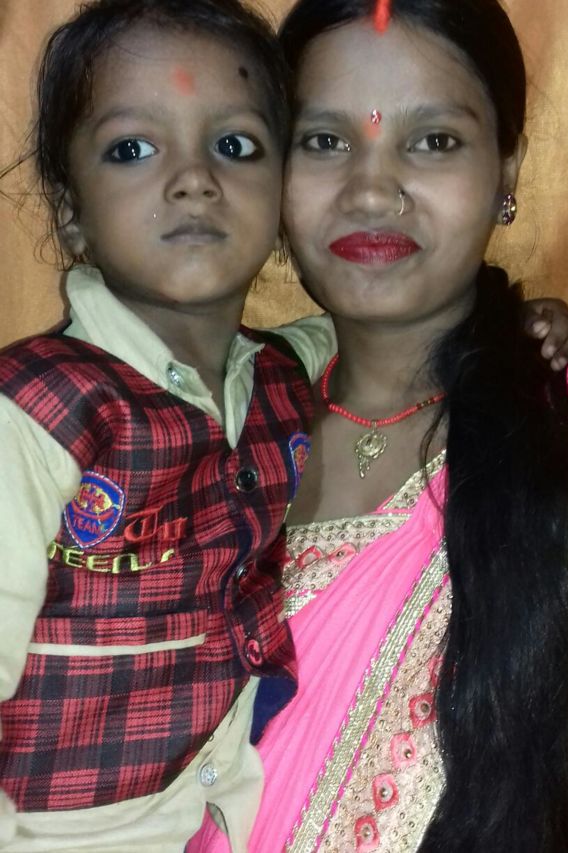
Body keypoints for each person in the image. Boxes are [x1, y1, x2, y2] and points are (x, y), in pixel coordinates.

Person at [187, 0, 568, 851]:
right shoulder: (205, 431)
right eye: (325, 140)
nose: (371, 188)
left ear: (507, 168)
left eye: (433, 140)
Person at [0, 1, 339, 850]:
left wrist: (520, 326)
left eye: (236, 146)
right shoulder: (33, 415)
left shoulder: (281, 373)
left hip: (240, 810)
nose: (194, 179)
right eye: (132, 149)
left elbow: (379, 333)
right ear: (70, 210)